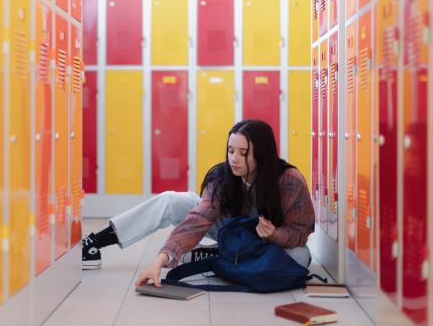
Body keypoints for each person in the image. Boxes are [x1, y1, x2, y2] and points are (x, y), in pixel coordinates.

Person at [81, 119, 315, 288]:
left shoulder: (290, 181)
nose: (233, 159)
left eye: (243, 153)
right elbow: (198, 220)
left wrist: (274, 235)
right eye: (230, 150)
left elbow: (300, 232)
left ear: (262, 155)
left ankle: (217, 256)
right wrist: (160, 260)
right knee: (172, 200)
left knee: (300, 257)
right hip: (230, 231)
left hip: (265, 243)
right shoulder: (224, 178)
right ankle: (94, 243)